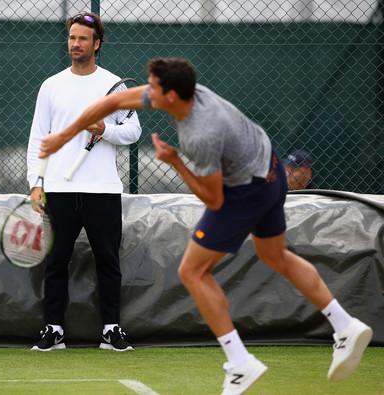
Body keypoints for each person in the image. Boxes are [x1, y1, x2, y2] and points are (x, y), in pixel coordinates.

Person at [38, 58, 372, 393]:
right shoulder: (186, 91)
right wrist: (64, 136)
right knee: (277, 256)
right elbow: (111, 102)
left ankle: (240, 362)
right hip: (271, 167)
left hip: (247, 189)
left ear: (170, 96)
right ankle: (345, 325)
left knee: (193, 271)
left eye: (153, 87)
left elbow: (213, 201)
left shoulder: (199, 135)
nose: (146, 92)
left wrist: (176, 163)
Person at [27, 12, 142, 352]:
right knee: (56, 260)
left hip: (102, 190)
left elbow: (133, 130)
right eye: (72, 38)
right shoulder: (51, 86)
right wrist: (37, 183)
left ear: (97, 44)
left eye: (82, 39)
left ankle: (110, 329)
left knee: (108, 261)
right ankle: (53, 330)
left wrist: (105, 130)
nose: (75, 44)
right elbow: (38, 139)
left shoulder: (116, 85)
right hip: (59, 191)